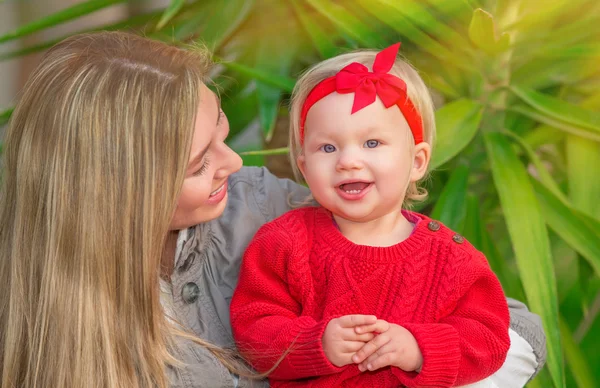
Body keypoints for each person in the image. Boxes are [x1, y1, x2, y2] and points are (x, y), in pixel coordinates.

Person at [0, 32, 544, 388]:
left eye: (222, 133)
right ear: (116, 193)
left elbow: (514, 330)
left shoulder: (264, 206)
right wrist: (315, 345)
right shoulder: (39, 306)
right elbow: (264, 331)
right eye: (197, 165)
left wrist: (415, 353)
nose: (233, 162)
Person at [230, 43, 537, 388]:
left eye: (372, 143)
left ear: (417, 161)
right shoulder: (283, 243)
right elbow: (253, 329)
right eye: (327, 147)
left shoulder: (452, 258)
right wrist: (317, 342)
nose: (348, 161)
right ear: (304, 166)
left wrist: (419, 348)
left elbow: (488, 339)